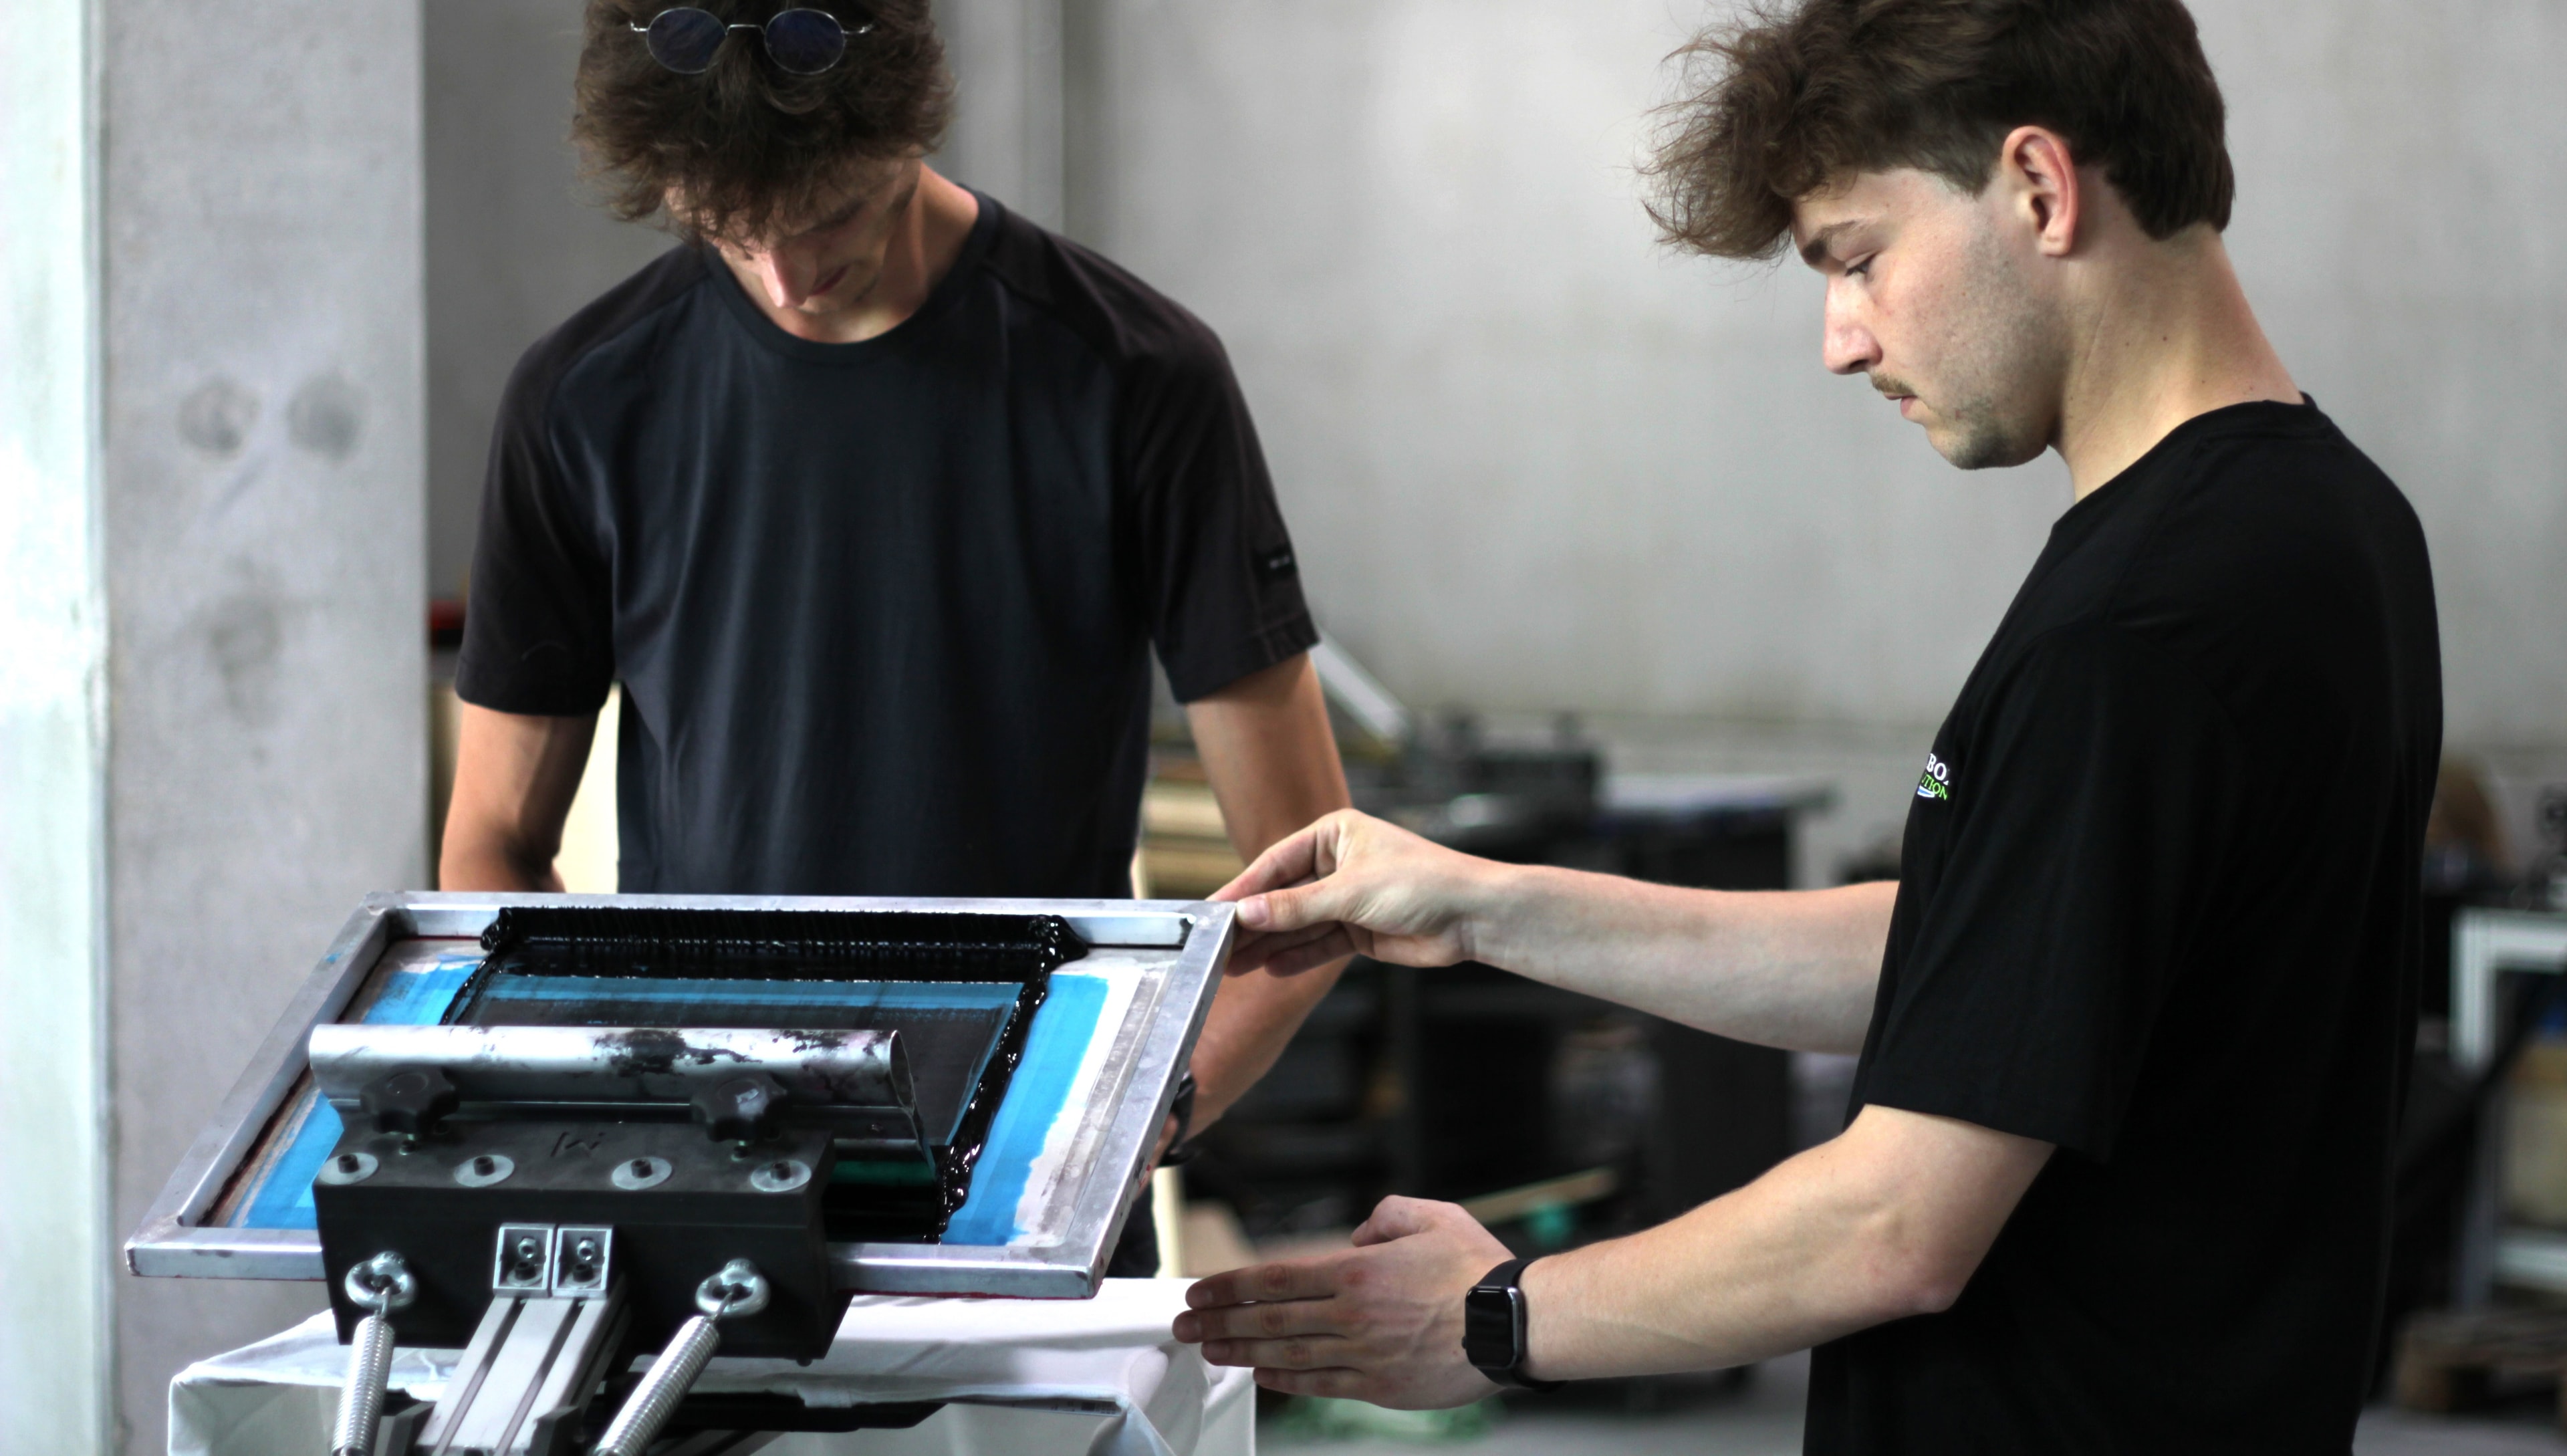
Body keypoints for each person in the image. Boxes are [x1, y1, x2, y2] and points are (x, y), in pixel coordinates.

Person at [1171, 0, 2442, 1447]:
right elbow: (1998, 960)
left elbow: (1900, 1221)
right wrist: (1484, 907)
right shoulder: (2328, 524)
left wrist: (1489, 1316)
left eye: (1857, 258)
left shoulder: (2140, 631)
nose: (1842, 341)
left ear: (2039, 186)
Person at [438, 0, 1352, 1273]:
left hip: (1037, 1185)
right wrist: (612, 1107)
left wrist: (1133, 1122)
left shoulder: (1137, 375)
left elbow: (1309, 879)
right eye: (732, 234)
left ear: (911, 124)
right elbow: (490, 846)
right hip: (708, 1178)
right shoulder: (582, 400)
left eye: (829, 220)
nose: (788, 279)